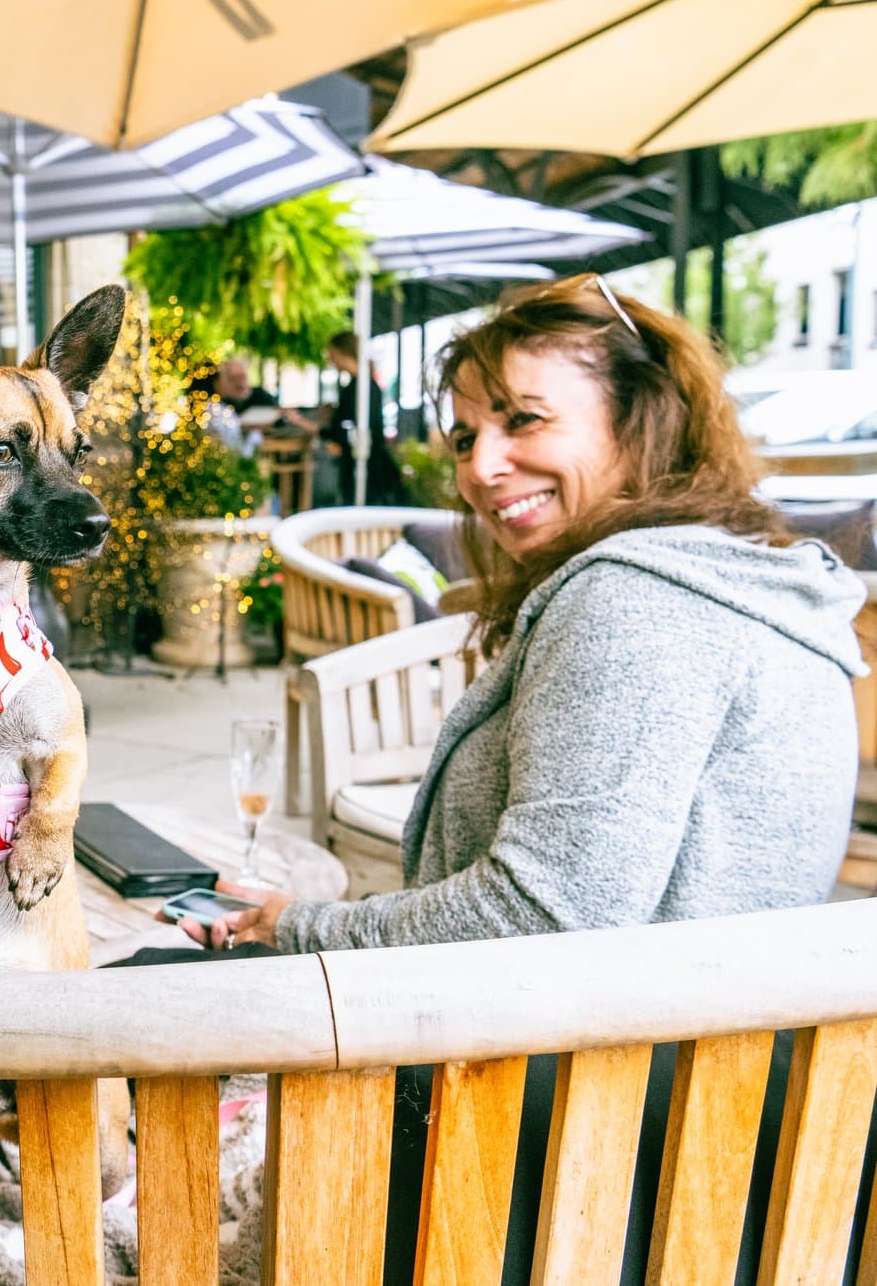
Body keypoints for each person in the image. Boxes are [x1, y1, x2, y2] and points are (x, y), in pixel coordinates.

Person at [161, 274, 867, 1282]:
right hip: (700, 1144)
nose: (480, 468)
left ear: (641, 422)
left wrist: (301, 930)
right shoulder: (736, 578)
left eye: (522, 420)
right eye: (461, 436)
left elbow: (542, 910)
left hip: (565, 1167)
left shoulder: (633, 603)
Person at [318, 330, 406, 505]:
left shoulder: (360, 387)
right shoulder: (362, 384)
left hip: (366, 468)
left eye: (331, 353)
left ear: (342, 352)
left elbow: (346, 429)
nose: (330, 359)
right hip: (367, 465)